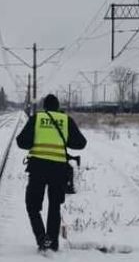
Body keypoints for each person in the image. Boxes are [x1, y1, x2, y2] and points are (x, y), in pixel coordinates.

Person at [15, 94, 87, 252]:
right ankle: (53, 243)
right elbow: (81, 143)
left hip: (38, 168)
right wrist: (64, 140)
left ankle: (42, 238)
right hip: (58, 169)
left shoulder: (37, 118)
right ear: (58, 107)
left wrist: (36, 140)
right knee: (54, 205)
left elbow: (21, 141)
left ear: (45, 107)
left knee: (32, 205)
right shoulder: (66, 120)